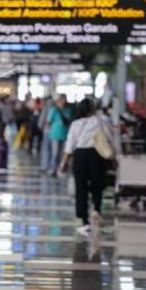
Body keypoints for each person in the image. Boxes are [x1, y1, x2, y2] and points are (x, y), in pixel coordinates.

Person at [58, 98, 113, 237]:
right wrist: (114, 154)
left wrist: (63, 163)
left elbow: (69, 145)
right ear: (92, 109)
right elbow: (109, 137)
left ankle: (84, 220)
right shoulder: (100, 121)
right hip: (96, 155)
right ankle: (97, 209)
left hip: (80, 155)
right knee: (97, 184)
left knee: (80, 187)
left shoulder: (75, 124)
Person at [46, 94, 73, 177]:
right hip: (55, 135)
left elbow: (70, 121)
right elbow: (48, 121)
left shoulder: (68, 110)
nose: (63, 102)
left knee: (63, 153)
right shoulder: (53, 110)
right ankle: (53, 168)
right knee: (55, 153)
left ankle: (60, 169)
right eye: (61, 100)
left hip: (65, 134)